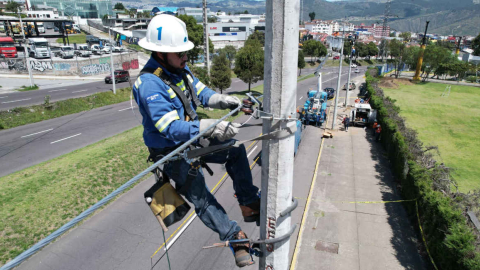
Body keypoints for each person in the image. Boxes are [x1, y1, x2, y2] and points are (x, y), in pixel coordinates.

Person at [132, 14, 259, 267]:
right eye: (179, 53)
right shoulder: (150, 84)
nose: (185, 57)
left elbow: (200, 91)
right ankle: (235, 238)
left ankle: (248, 203)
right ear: (160, 53)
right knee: (200, 195)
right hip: (171, 151)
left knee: (235, 151)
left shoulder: (179, 69)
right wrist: (209, 128)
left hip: (190, 142)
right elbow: (169, 128)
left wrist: (224, 100)